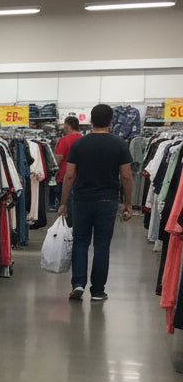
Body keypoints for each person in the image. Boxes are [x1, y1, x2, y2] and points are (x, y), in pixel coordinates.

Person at [57, 104, 133, 302]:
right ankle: (98, 291)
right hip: (108, 200)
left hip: (82, 199)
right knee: (102, 245)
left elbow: (70, 175)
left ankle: (78, 283)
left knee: (80, 242)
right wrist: (128, 203)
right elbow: (126, 176)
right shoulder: (119, 144)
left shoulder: (79, 144)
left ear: (90, 121)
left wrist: (64, 202)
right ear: (110, 122)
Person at [51, 115, 82, 211]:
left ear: (68, 126)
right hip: (81, 178)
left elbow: (57, 160)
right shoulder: (83, 139)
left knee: (66, 208)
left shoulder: (64, 140)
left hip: (64, 178)